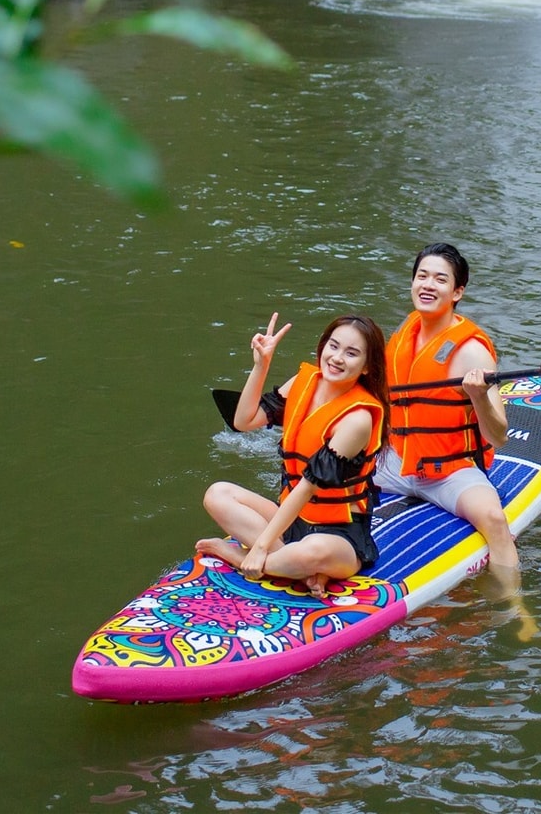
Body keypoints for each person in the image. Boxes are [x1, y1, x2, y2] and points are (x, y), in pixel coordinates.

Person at [198, 313, 389, 596]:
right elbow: (243, 421)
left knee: (310, 552)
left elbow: (307, 486)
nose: (337, 358)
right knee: (217, 494)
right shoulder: (304, 381)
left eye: (351, 353)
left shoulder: (358, 418)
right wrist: (261, 366)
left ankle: (246, 560)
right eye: (333, 346)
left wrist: (260, 546)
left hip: (339, 535)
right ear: (322, 346)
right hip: (292, 523)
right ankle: (300, 572)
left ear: (366, 367)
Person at [378, 243, 520, 587]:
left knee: (495, 522)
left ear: (457, 292)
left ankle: (515, 608)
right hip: (396, 461)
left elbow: (497, 436)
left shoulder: (472, 352)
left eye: (440, 279)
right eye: (421, 276)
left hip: (450, 473)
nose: (428, 285)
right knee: (324, 475)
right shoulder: (406, 332)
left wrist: (479, 398)